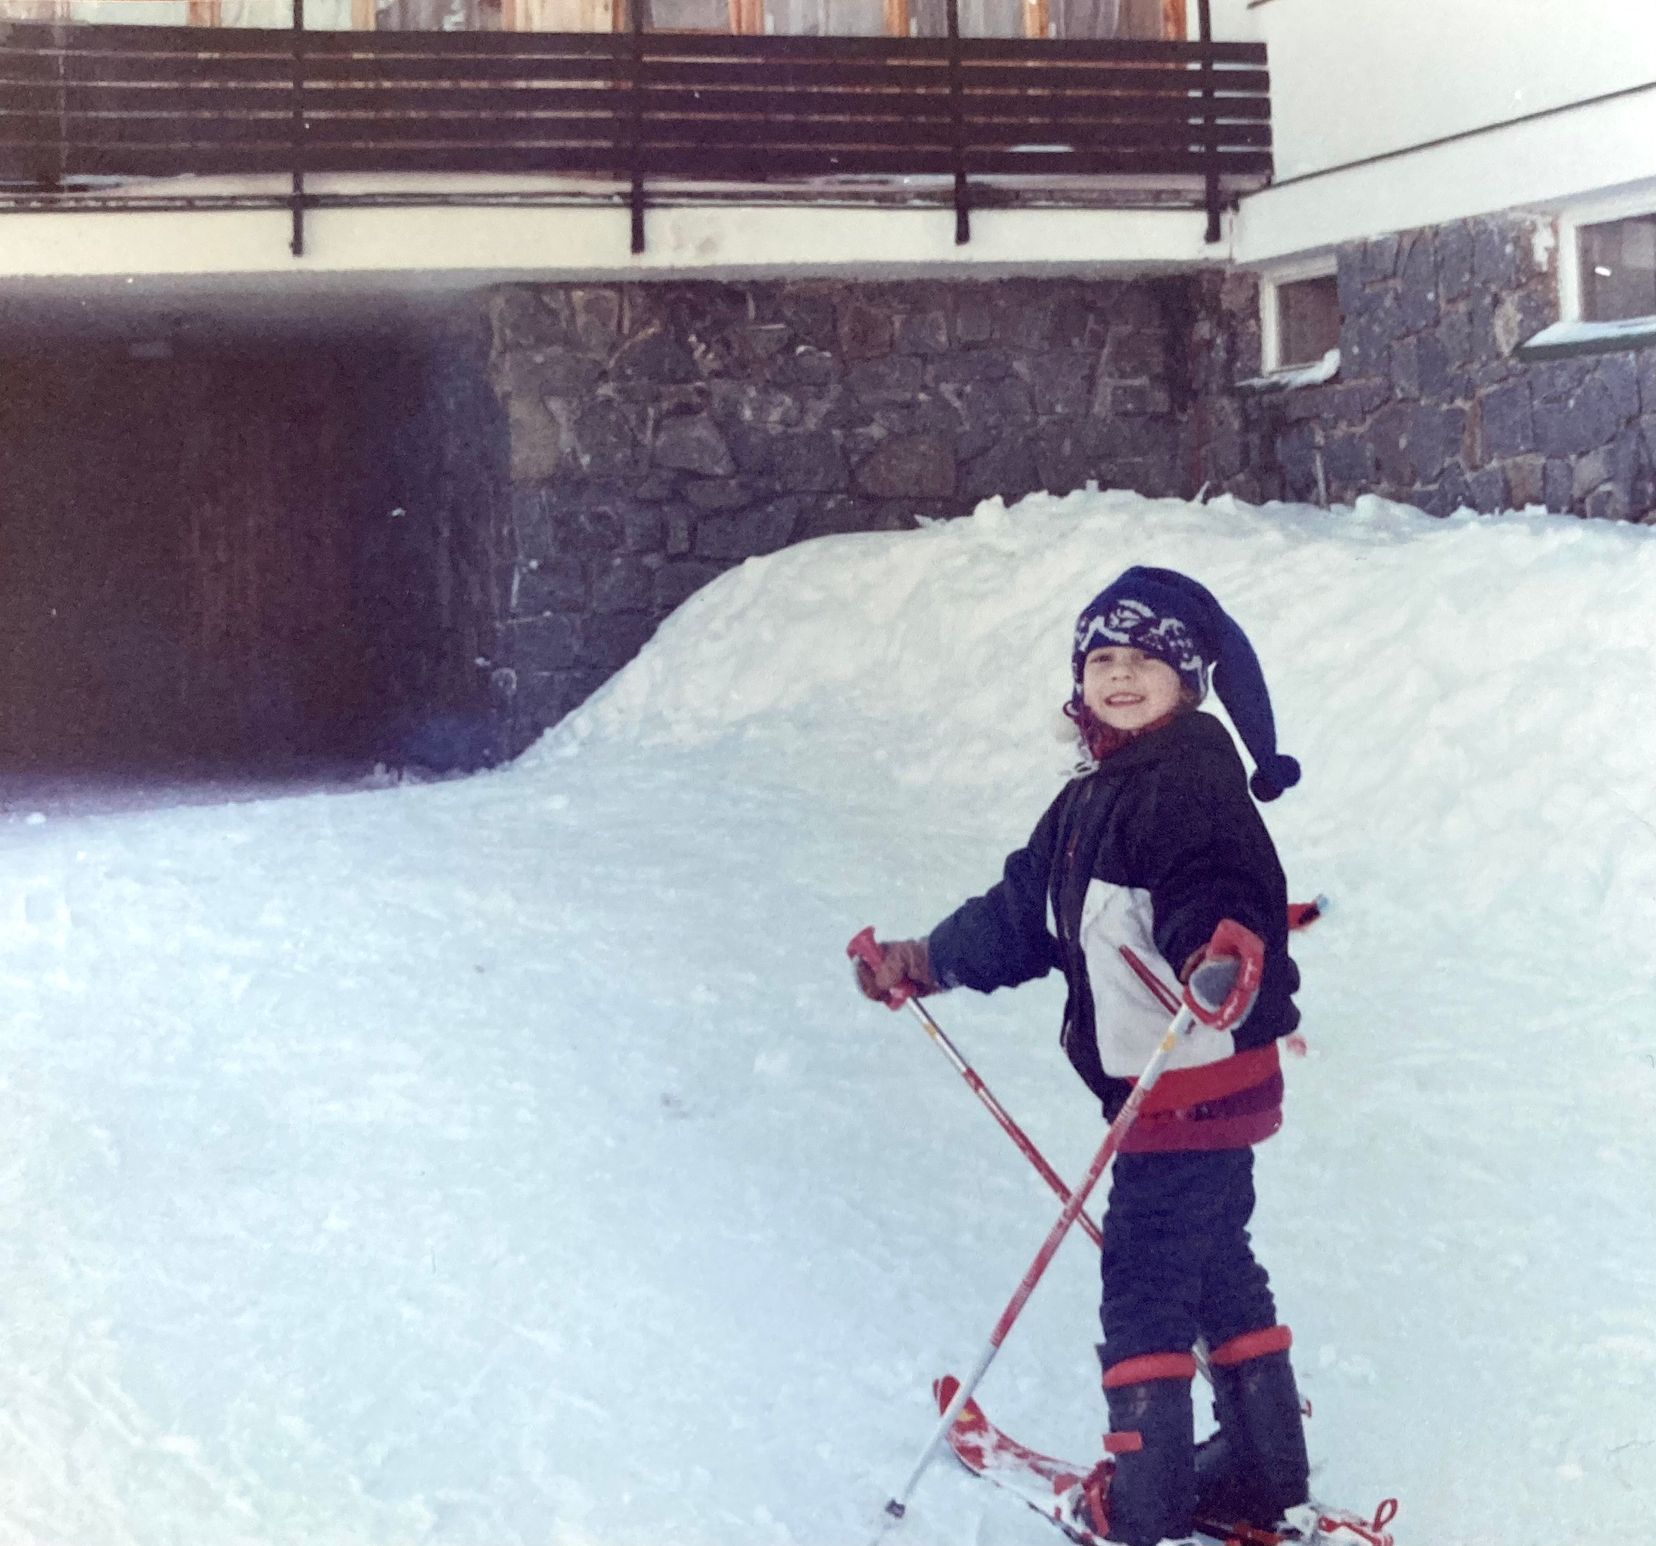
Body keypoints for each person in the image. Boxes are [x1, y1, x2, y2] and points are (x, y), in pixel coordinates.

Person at [855, 567, 1311, 1546]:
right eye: (1102, 657)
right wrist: (923, 961)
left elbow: (1217, 883)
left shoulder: (1189, 780)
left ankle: (1141, 1507)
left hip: (1186, 1076)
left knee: (1146, 1280)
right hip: (1200, 1086)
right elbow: (1024, 914)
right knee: (1216, 1260)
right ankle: (1265, 1470)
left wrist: (1218, 952)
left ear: (1187, 680)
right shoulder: (1094, 795)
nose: (1120, 675)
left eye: (1144, 660)